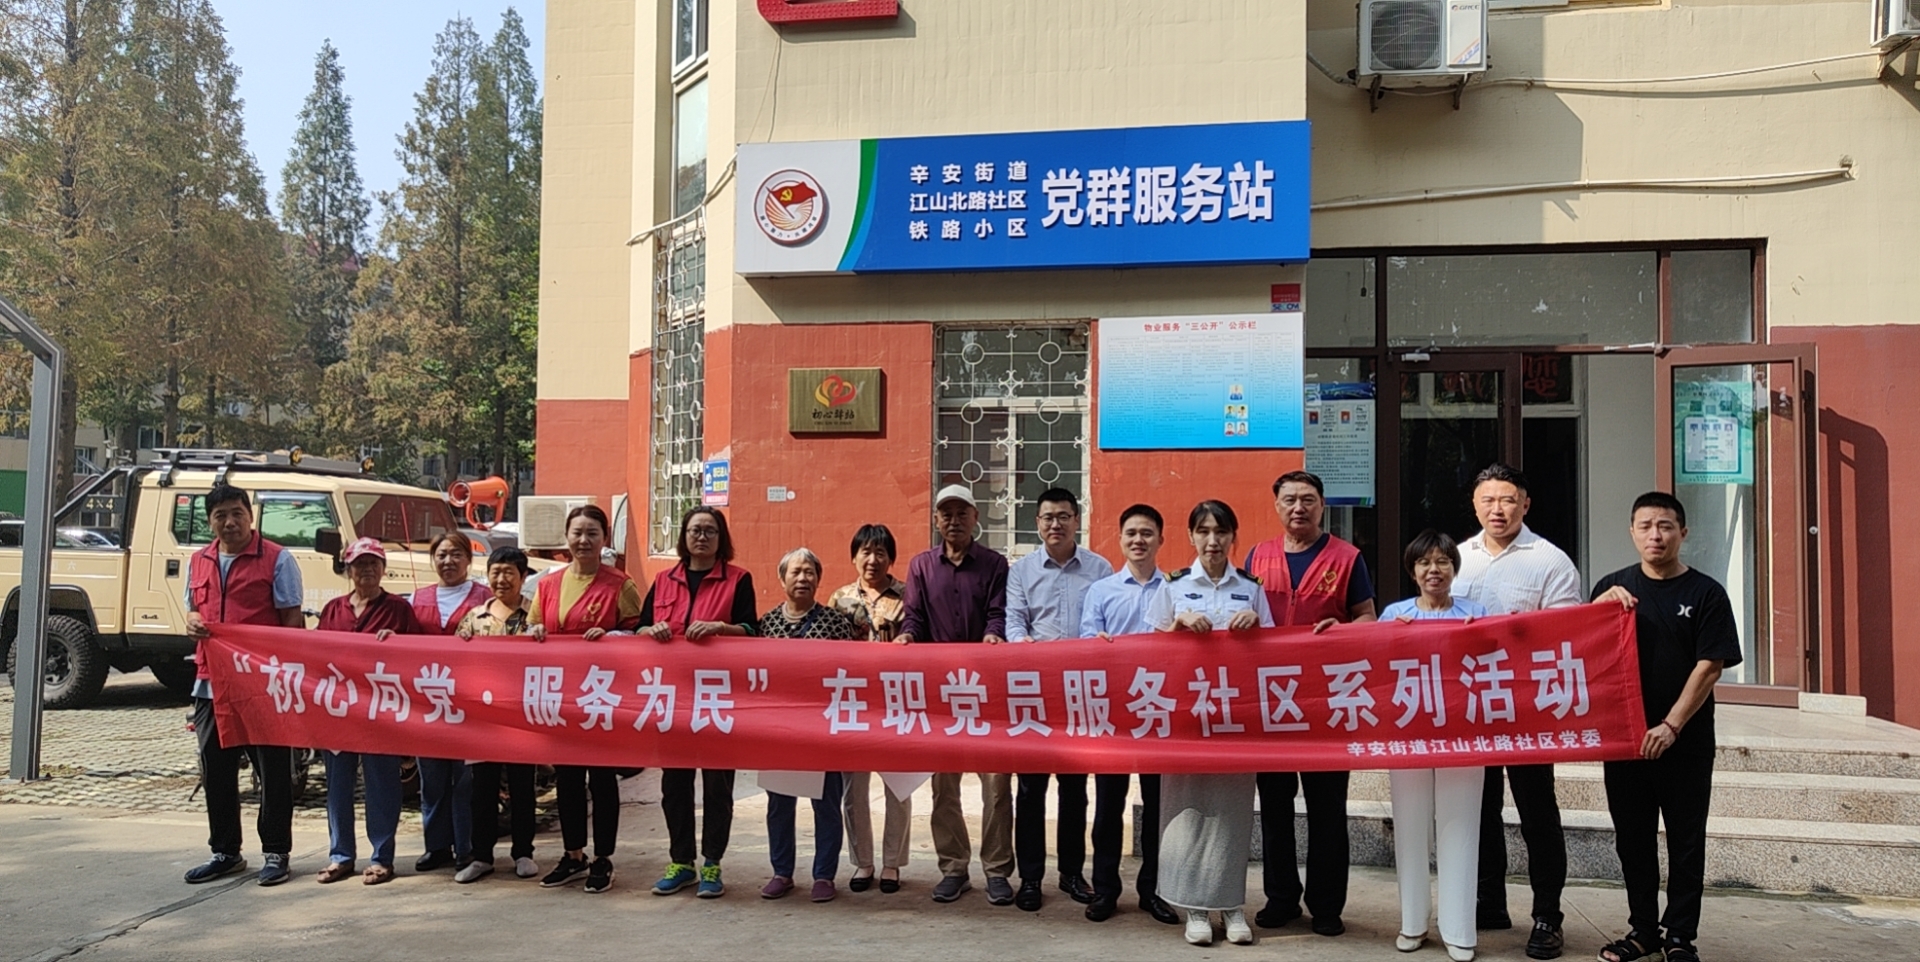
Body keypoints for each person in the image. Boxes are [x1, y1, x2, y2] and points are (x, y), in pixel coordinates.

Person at [1591, 493, 1741, 962]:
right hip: (1625, 742)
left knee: (1685, 841)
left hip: (1685, 741)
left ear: (1683, 533)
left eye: (1666, 526)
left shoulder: (1706, 593)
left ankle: (1679, 936)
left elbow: (1710, 666)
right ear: (1632, 532)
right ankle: (1642, 931)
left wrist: (1671, 726)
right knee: (1632, 839)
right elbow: (1583, 654)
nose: (1655, 535)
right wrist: (1596, 610)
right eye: (1646, 526)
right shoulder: (1612, 588)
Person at [1454, 463, 1584, 958]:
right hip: (1473, 706)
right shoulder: (1458, 557)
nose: (1498, 509)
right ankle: (1489, 902)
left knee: (1537, 812)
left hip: (1528, 707)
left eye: (1507, 500)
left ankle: (1548, 915)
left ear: (1525, 505)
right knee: (1479, 807)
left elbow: (1568, 634)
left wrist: (1525, 628)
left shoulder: (1550, 560)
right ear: (1475, 505)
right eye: (1488, 500)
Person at [1242, 470, 1377, 936]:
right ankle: (1280, 898)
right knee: (1274, 806)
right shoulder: (1257, 556)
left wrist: (1343, 631)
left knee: (1327, 809)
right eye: (1289, 500)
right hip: (1272, 702)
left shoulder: (1347, 557)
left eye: (1308, 500)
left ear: (1322, 505)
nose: (1298, 508)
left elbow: (1368, 618)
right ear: (1276, 506)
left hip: (1327, 702)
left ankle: (1326, 906)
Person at [1148, 500, 1276, 947]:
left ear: (1233, 537)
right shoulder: (1173, 586)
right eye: (1203, 531)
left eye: (1221, 532)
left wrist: (1257, 624)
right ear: (1190, 537)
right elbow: (1148, 649)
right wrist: (1177, 623)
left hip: (1236, 715)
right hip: (1187, 714)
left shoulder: (1251, 588)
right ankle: (1196, 908)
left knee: (1232, 811)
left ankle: (1232, 905)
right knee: (1187, 809)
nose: (1212, 540)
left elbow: (1274, 651)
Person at [181, 482, 305, 887]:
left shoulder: (277, 559)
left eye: (237, 513)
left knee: (273, 772)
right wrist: (192, 623)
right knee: (215, 770)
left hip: (261, 686)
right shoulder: (198, 560)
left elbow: (291, 622)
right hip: (209, 683)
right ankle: (225, 852)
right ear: (210, 521)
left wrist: (281, 675)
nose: (230, 522)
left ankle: (276, 852)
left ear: (250, 516)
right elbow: (191, 610)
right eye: (221, 516)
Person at [897, 483, 1014, 907]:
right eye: (946, 513)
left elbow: (999, 613)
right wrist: (908, 637)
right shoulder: (921, 566)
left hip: (988, 690)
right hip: (941, 694)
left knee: (997, 786)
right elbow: (914, 616)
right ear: (936, 520)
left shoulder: (995, 564)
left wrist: (993, 636)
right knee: (944, 787)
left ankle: (997, 871)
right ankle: (953, 869)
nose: (954, 520)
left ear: (976, 518)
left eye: (962, 513)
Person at [1380, 529, 1491, 962]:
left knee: (1460, 826)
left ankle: (1459, 929)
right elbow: (1374, 666)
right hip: (1408, 733)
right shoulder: (1395, 615)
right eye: (1424, 562)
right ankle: (1412, 923)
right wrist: (1393, 637)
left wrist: (1482, 635)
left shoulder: (1475, 613)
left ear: (1454, 569)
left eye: (1442, 561)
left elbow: (1496, 661)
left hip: (1462, 734)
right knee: (1410, 826)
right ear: (1413, 571)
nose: (1434, 570)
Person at [1007, 487, 1114, 914]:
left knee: (1075, 790)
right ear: (1037, 523)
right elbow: (1015, 621)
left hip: (1080, 693)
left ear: (1076, 520)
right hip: (1035, 691)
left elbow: (1107, 620)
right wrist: (1022, 643)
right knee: (1030, 790)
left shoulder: (1100, 568)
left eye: (1064, 516)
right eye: (1048, 517)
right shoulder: (1021, 571)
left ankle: (1071, 872)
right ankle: (1030, 877)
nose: (1056, 524)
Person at [643, 506, 758, 899]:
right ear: (684, 536)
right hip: (672, 698)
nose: (702, 537)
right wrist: (652, 629)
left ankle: (712, 863)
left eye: (710, 530)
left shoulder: (738, 579)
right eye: (695, 530)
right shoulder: (664, 580)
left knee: (717, 785)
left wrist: (720, 628)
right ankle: (681, 862)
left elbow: (752, 630)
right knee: (674, 784)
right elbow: (638, 628)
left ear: (721, 538)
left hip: (717, 698)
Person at [530, 504, 645, 894]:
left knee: (602, 778)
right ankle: (573, 854)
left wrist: (612, 637)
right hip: (561, 695)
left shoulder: (620, 585)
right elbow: (533, 626)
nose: (583, 540)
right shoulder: (548, 585)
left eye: (592, 533)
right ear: (566, 537)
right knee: (567, 778)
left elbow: (639, 633)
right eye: (577, 533)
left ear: (604, 539)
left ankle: (603, 857)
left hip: (601, 695)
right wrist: (534, 634)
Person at [1078, 503, 1178, 926]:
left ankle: (1153, 891)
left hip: (1159, 711)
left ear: (1161, 540)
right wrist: (1096, 643)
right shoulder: (1101, 591)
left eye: (1147, 533)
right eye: (1132, 533)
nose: (1139, 540)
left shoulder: (1174, 590)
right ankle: (1105, 890)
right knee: (1108, 806)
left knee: (1157, 806)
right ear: (1120, 539)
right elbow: (1085, 642)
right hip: (1114, 713)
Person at [756, 547, 863, 903]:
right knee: (779, 804)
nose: (803, 578)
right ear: (781, 579)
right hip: (779, 729)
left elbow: (849, 670)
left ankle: (824, 875)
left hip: (822, 727)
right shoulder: (767, 623)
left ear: (818, 579)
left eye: (810, 572)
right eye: (795, 572)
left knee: (827, 803)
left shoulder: (834, 622)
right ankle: (781, 872)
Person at [315, 538, 424, 885]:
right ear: (348, 569)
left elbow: (419, 656)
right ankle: (341, 855)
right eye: (360, 564)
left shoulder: (398, 609)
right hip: (339, 710)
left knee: (382, 785)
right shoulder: (333, 609)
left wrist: (398, 643)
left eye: (373, 563)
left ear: (383, 568)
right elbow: (315, 654)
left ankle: (381, 857)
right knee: (338, 785)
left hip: (381, 711)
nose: (367, 569)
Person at [828, 523, 913, 894]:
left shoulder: (908, 595)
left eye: (880, 552)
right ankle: (863, 862)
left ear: (891, 558)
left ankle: (892, 863)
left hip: (895, 702)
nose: (873, 559)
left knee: (898, 787)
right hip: (853, 704)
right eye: (865, 552)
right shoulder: (839, 598)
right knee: (854, 789)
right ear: (854, 557)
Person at [453, 546, 543, 884]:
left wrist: (542, 638)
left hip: (522, 716)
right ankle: (482, 856)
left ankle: (523, 852)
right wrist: (461, 643)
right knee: (482, 790)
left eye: (509, 572)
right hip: (483, 718)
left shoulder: (536, 615)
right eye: (495, 572)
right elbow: (454, 661)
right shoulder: (474, 618)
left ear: (523, 576)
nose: (501, 579)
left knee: (522, 787)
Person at [409, 532, 489, 876]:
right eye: (441, 555)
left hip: (469, 701)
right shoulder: (417, 598)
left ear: (468, 559)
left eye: (456, 554)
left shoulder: (485, 598)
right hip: (428, 700)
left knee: (465, 779)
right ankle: (436, 845)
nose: (448, 561)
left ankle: (466, 847)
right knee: (432, 777)